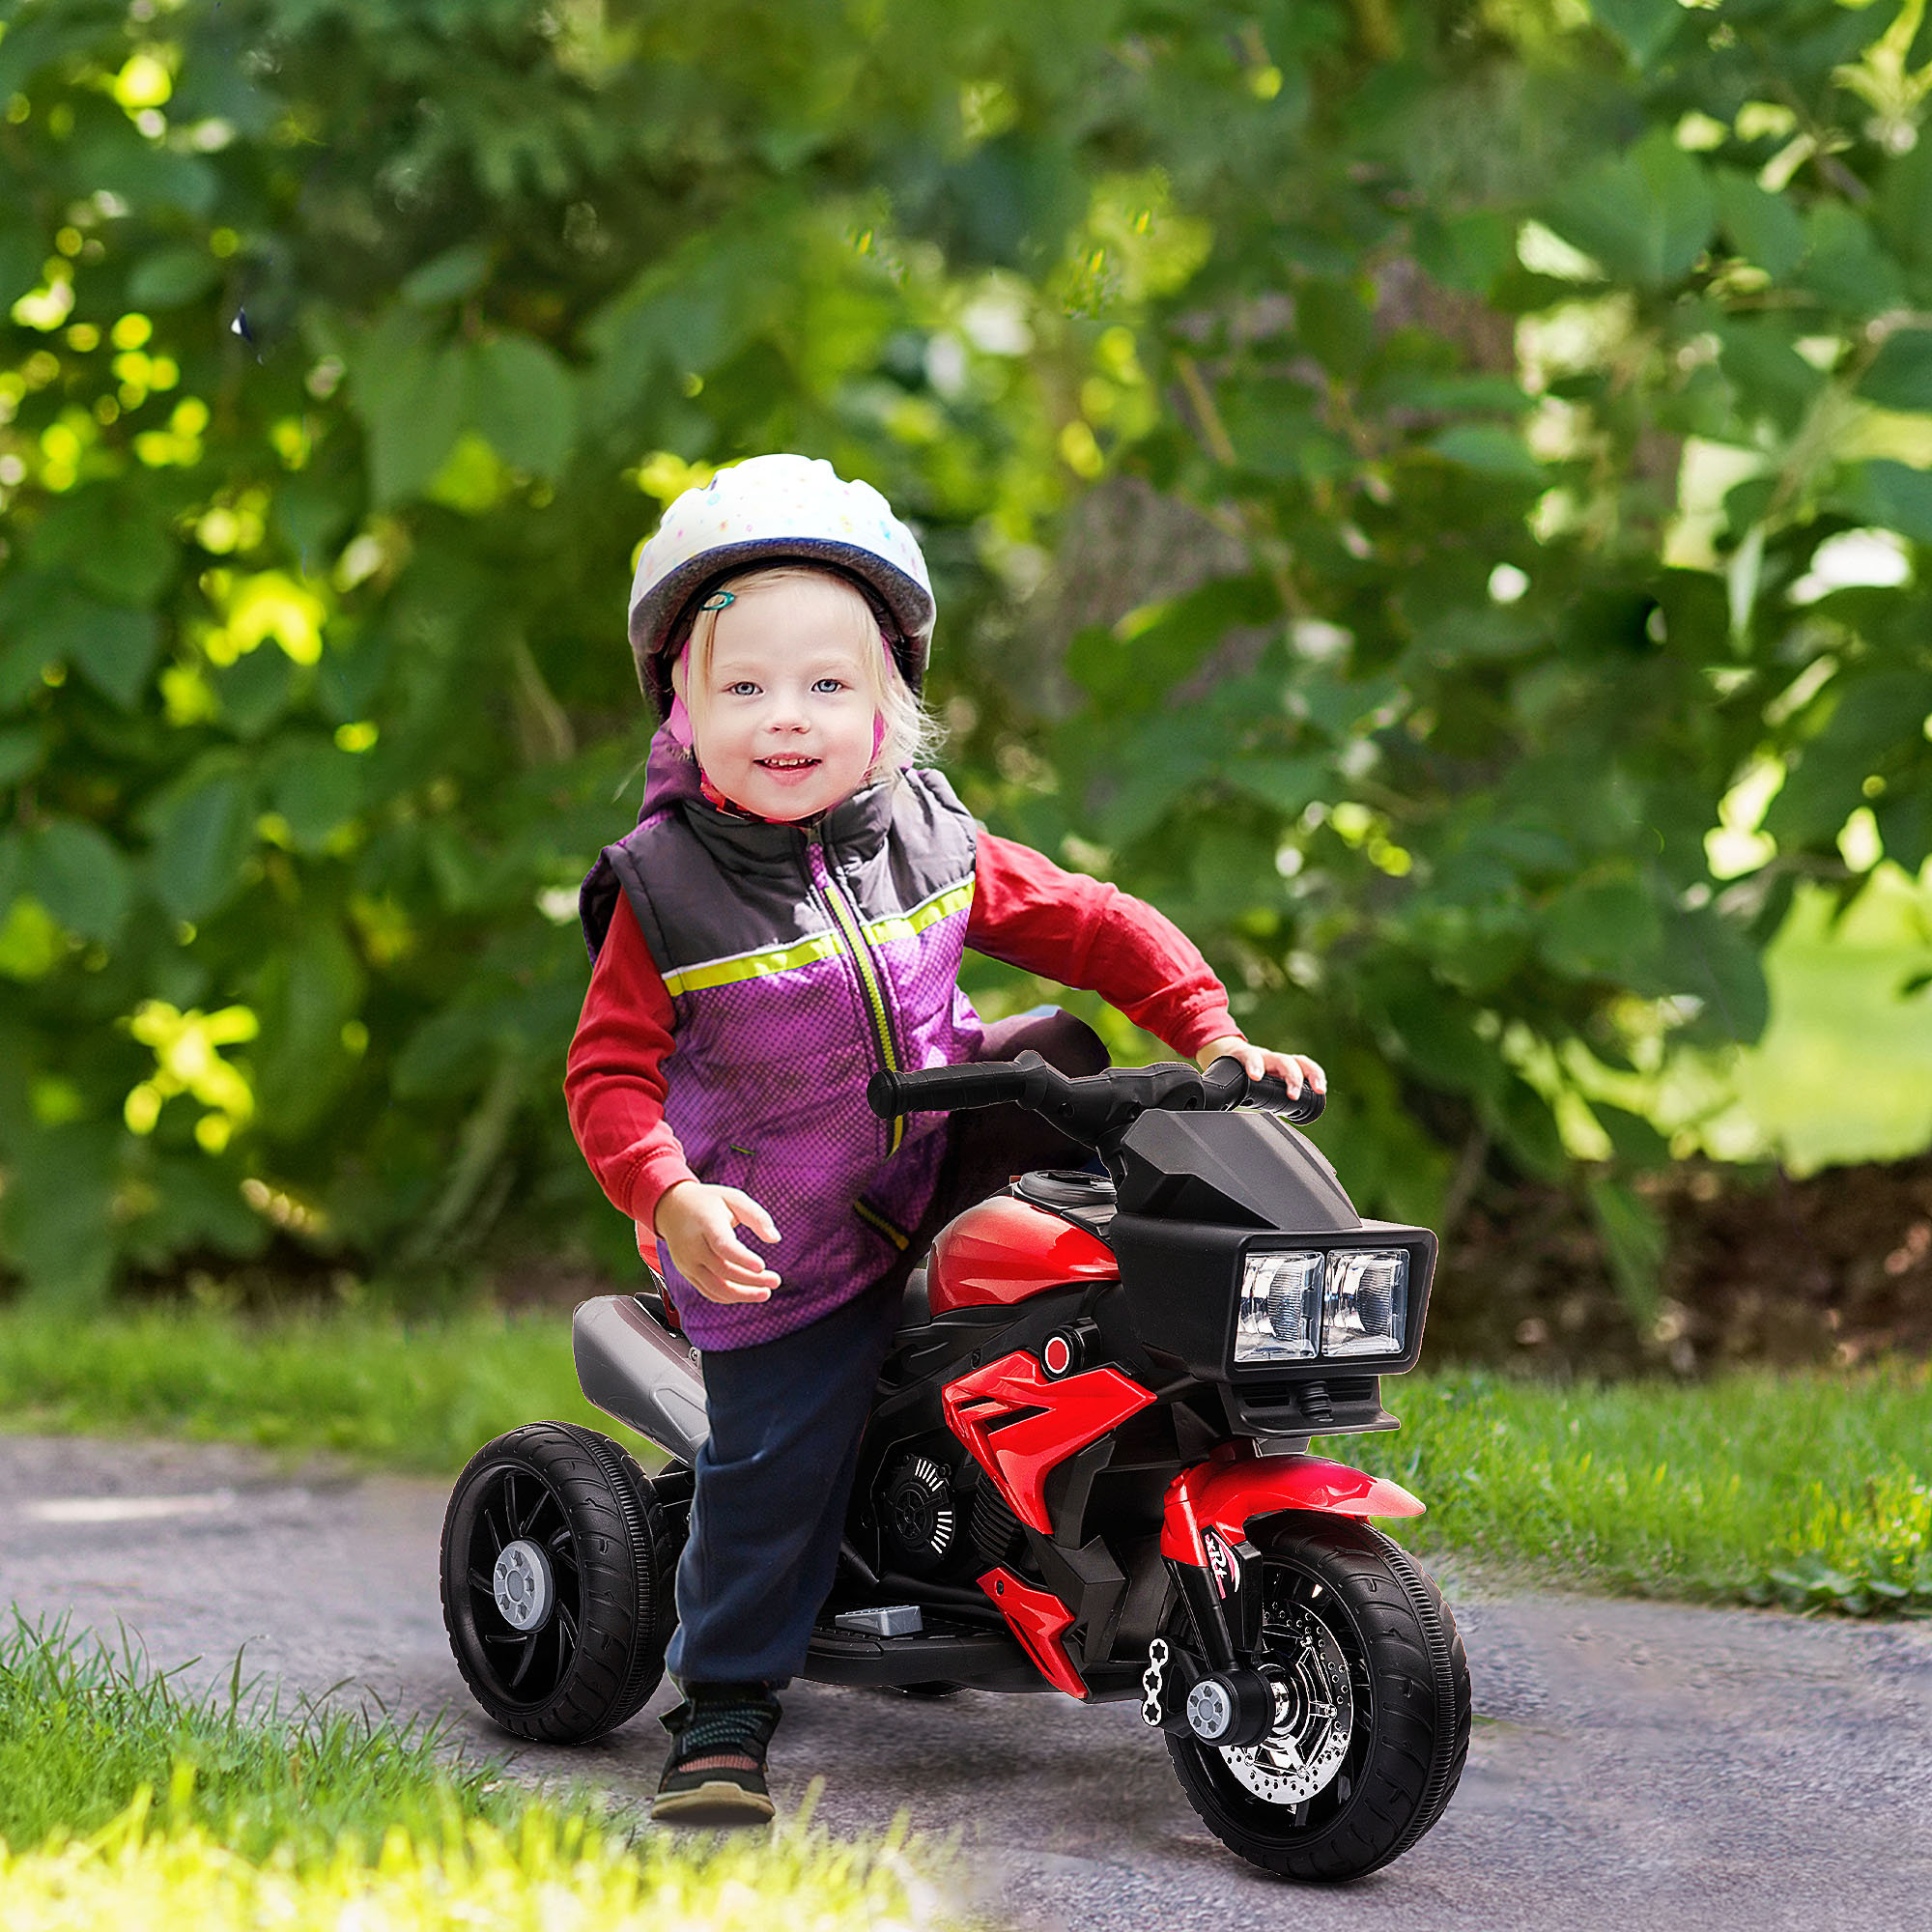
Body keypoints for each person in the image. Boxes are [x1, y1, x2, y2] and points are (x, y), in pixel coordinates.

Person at [566, 453, 1324, 1825]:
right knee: (778, 1453)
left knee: (1109, 1252)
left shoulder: (933, 835)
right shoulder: (663, 893)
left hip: (948, 1161)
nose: (786, 720)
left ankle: (1042, 1540)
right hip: (777, 1233)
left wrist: (1211, 1034)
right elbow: (610, 1073)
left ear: (890, 703)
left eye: (826, 685)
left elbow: (1093, 923)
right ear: (681, 706)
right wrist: (670, 1195)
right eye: (744, 688)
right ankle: (725, 1708)